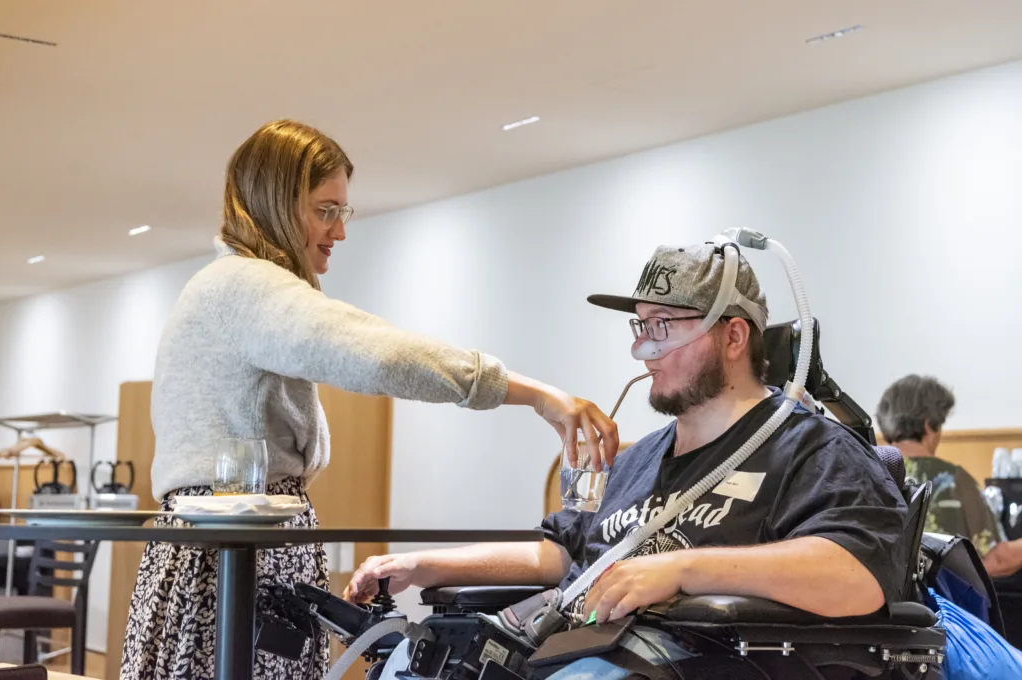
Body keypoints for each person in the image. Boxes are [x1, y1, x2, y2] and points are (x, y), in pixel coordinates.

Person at [120, 119, 619, 680]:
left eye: (343, 212)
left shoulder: (226, 287)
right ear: (277, 204)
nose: (339, 230)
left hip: (233, 546)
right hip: (231, 554)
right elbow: (379, 355)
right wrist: (535, 395)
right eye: (324, 209)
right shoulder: (244, 286)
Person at [345, 243, 909, 676]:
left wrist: (681, 570)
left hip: (706, 664)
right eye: (641, 326)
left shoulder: (812, 450)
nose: (643, 349)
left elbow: (858, 576)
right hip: (588, 650)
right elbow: (561, 557)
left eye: (663, 326)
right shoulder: (640, 461)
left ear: (734, 337)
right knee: (413, 662)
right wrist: (425, 566)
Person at [877, 375, 1022, 579]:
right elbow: (994, 561)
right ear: (929, 425)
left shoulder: (867, 469)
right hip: (936, 608)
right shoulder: (953, 480)